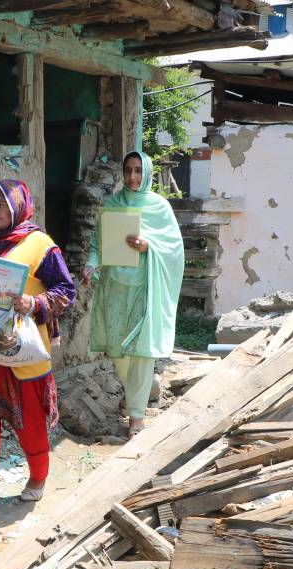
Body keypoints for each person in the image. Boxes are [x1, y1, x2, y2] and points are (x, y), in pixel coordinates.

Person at [0, 180, 76, 534]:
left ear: (19, 205)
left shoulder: (41, 245)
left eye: (2, 205)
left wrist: (35, 303)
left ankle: (38, 476)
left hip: (23, 351)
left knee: (31, 423)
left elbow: (65, 290)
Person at [83, 151, 186, 437]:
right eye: (128, 170)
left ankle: (137, 417)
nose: (132, 177)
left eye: (139, 170)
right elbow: (96, 245)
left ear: (147, 173)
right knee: (118, 350)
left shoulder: (159, 207)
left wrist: (148, 246)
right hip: (115, 286)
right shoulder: (113, 204)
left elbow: (175, 250)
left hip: (145, 287)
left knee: (142, 351)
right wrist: (91, 266)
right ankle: (133, 396)